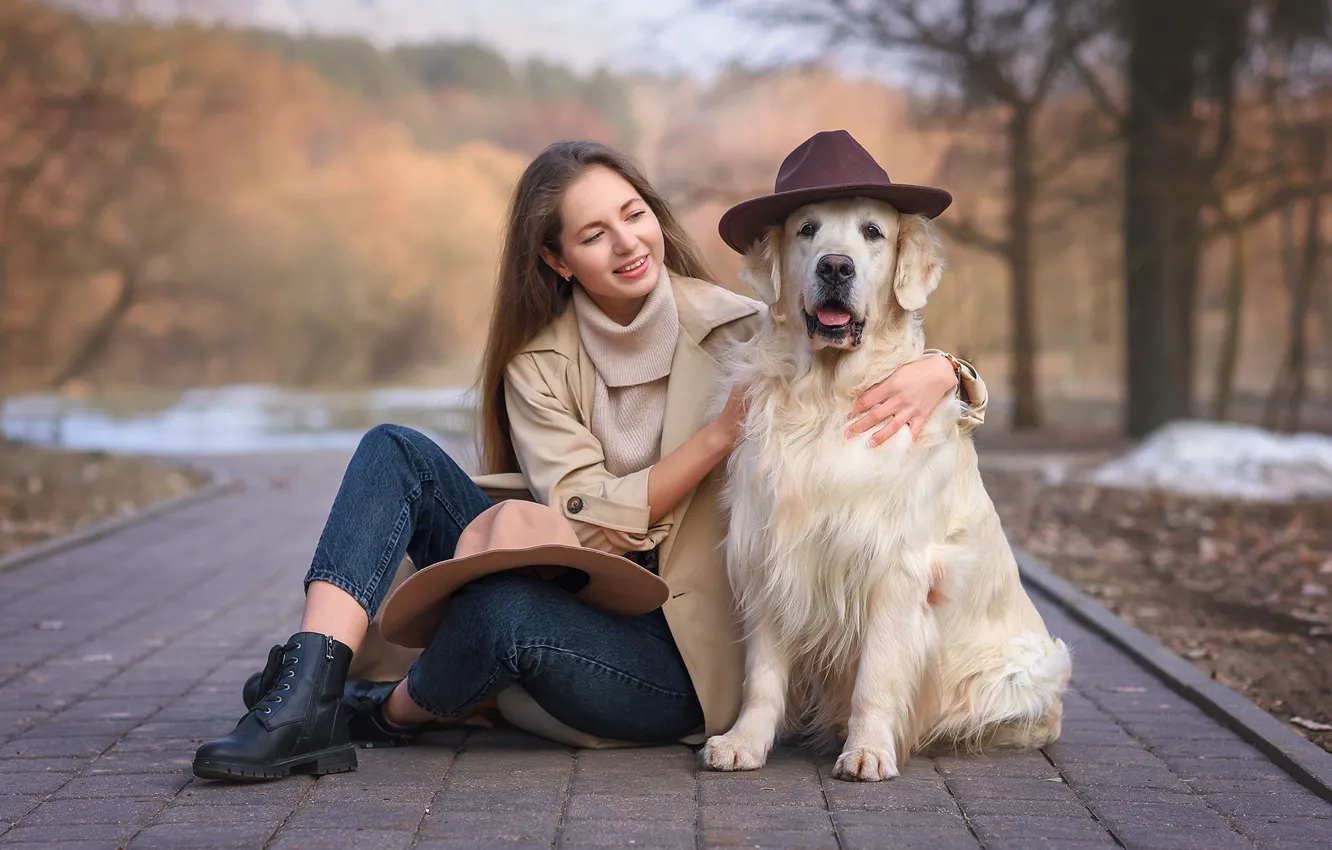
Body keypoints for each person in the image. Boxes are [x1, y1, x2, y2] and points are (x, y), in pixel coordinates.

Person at [191, 137, 990, 782]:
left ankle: (382, 712)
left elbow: (864, 334)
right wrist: (714, 440)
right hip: (575, 572)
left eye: (633, 214)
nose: (627, 243)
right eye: (593, 233)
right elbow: (586, 528)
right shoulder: (536, 366)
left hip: (671, 655)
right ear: (559, 260)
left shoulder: (748, 329)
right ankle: (308, 693)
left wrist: (948, 371)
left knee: (501, 614)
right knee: (392, 448)